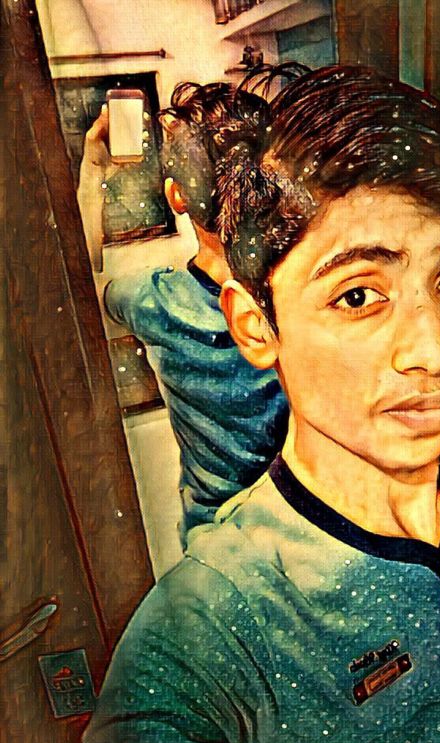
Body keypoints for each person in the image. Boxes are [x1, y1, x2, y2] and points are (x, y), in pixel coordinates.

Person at [48, 66, 440, 743]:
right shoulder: (213, 613)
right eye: (359, 295)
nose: (433, 351)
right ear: (255, 324)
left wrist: (96, 174)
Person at [79, 82, 288, 542]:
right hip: (307, 530)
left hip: (214, 538)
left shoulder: (156, 302)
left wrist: (94, 168)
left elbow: (78, 294)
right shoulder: (303, 289)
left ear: (176, 197)